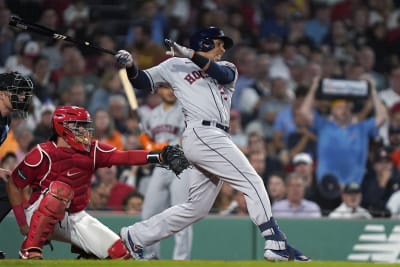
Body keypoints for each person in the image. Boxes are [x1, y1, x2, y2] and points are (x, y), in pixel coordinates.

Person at [115, 26, 310, 261]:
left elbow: (221, 75)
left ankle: (136, 235)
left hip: (217, 136)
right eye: (219, 43)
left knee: (196, 208)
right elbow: (143, 81)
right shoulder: (173, 66)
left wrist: (189, 54)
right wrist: (130, 66)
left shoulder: (228, 68)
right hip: (201, 133)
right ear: (206, 44)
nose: (223, 49)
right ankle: (275, 240)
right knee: (251, 180)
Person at [6, 105, 184, 260]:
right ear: (62, 128)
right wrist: (22, 223)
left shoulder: (93, 149)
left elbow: (125, 156)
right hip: (39, 210)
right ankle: (30, 249)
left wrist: (159, 156)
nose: (85, 131)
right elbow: (13, 184)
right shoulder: (42, 152)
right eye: (79, 126)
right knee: (60, 191)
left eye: (85, 126)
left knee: (119, 254)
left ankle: (88, 253)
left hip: (73, 216)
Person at [300, 76, 388, 187]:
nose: (344, 110)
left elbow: (382, 117)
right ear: (332, 111)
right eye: (339, 107)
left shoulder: (360, 128)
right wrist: (314, 87)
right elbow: (304, 112)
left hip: (354, 184)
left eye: (346, 107)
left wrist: (373, 90)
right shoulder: (324, 126)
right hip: (327, 183)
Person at [138, 82, 192, 260]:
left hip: (181, 165)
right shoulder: (151, 116)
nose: (170, 91)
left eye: (172, 87)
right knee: (148, 213)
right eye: (165, 87)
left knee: (181, 215)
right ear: (157, 90)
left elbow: (184, 140)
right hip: (160, 167)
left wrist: (158, 146)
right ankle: (151, 257)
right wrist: (146, 143)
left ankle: (181, 260)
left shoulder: (186, 109)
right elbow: (148, 146)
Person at [0, 72, 33, 259]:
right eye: (17, 92)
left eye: (23, 93)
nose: (22, 97)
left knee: (8, 188)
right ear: (1, 94)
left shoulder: (6, 119)